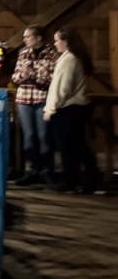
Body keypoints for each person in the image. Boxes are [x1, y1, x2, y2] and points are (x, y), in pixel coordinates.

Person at [43, 27, 102, 194]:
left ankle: (70, 181)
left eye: (57, 41)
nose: (55, 44)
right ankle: (91, 178)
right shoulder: (77, 58)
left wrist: (50, 109)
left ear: (66, 41)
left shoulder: (68, 60)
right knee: (79, 145)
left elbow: (62, 88)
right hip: (78, 109)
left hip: (68, 109)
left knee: (68, 147)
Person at [12, 25, 59, 186]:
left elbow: (49, 80)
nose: (24, 40)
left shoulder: (52, 54)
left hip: (42, 99)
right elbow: (16, 78)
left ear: (38, 37)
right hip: (24, 99)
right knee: (29, 135)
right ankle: (31, 170)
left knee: (44, 135)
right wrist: (24, 75)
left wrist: (31, 74)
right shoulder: (24, 53)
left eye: (27, 37)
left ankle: (47, 171)